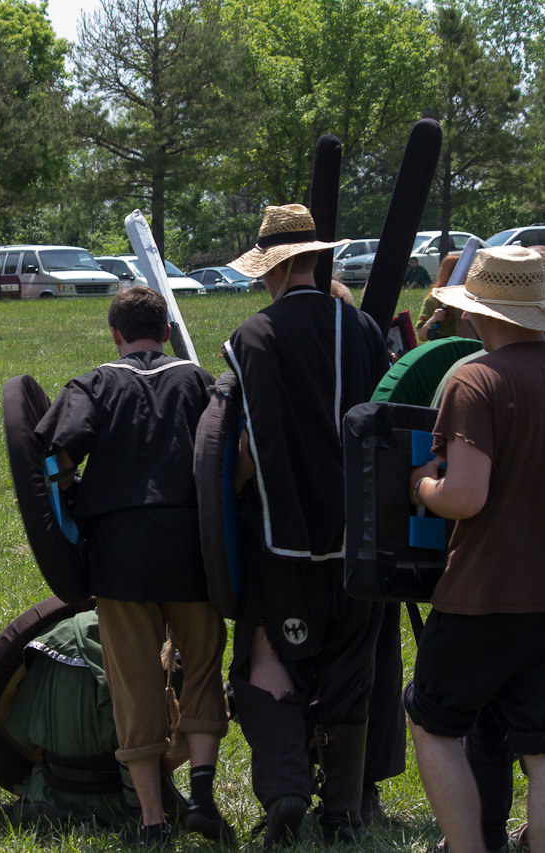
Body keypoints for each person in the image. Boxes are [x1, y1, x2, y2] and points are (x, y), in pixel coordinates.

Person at [406, 246, 545, 853]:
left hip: (486, 591)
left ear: (479, 313)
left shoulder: (475, 379)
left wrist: (420, 484)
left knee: (432, 722)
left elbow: (464, 496)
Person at [34, 286, 231, 847]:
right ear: (166, 331)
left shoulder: (93, 383)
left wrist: (70, 494)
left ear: (115, 334)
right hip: (192, 549)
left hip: (120, 554)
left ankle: (151, 820)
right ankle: (203, 797)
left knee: (134, 683)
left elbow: (58, 450)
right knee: (202, 669)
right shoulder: (198, 380)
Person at [222, 204, 391, 846]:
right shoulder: (363, 328)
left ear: (271, 268)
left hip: (282, 536)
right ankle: (343, 811)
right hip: (361, 535)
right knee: (350, 664)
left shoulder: (252, 337)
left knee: (268, 655)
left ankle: (287, 788)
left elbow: (245, 445)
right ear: (317, 259)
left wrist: (230, 489)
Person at [416, 254, 469, 342]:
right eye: (462, 274)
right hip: (443, 346)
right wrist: (433, 319)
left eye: (466, 274)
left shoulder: (471, 299)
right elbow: (421, 336)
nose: (466, 278)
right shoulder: (433, 300)